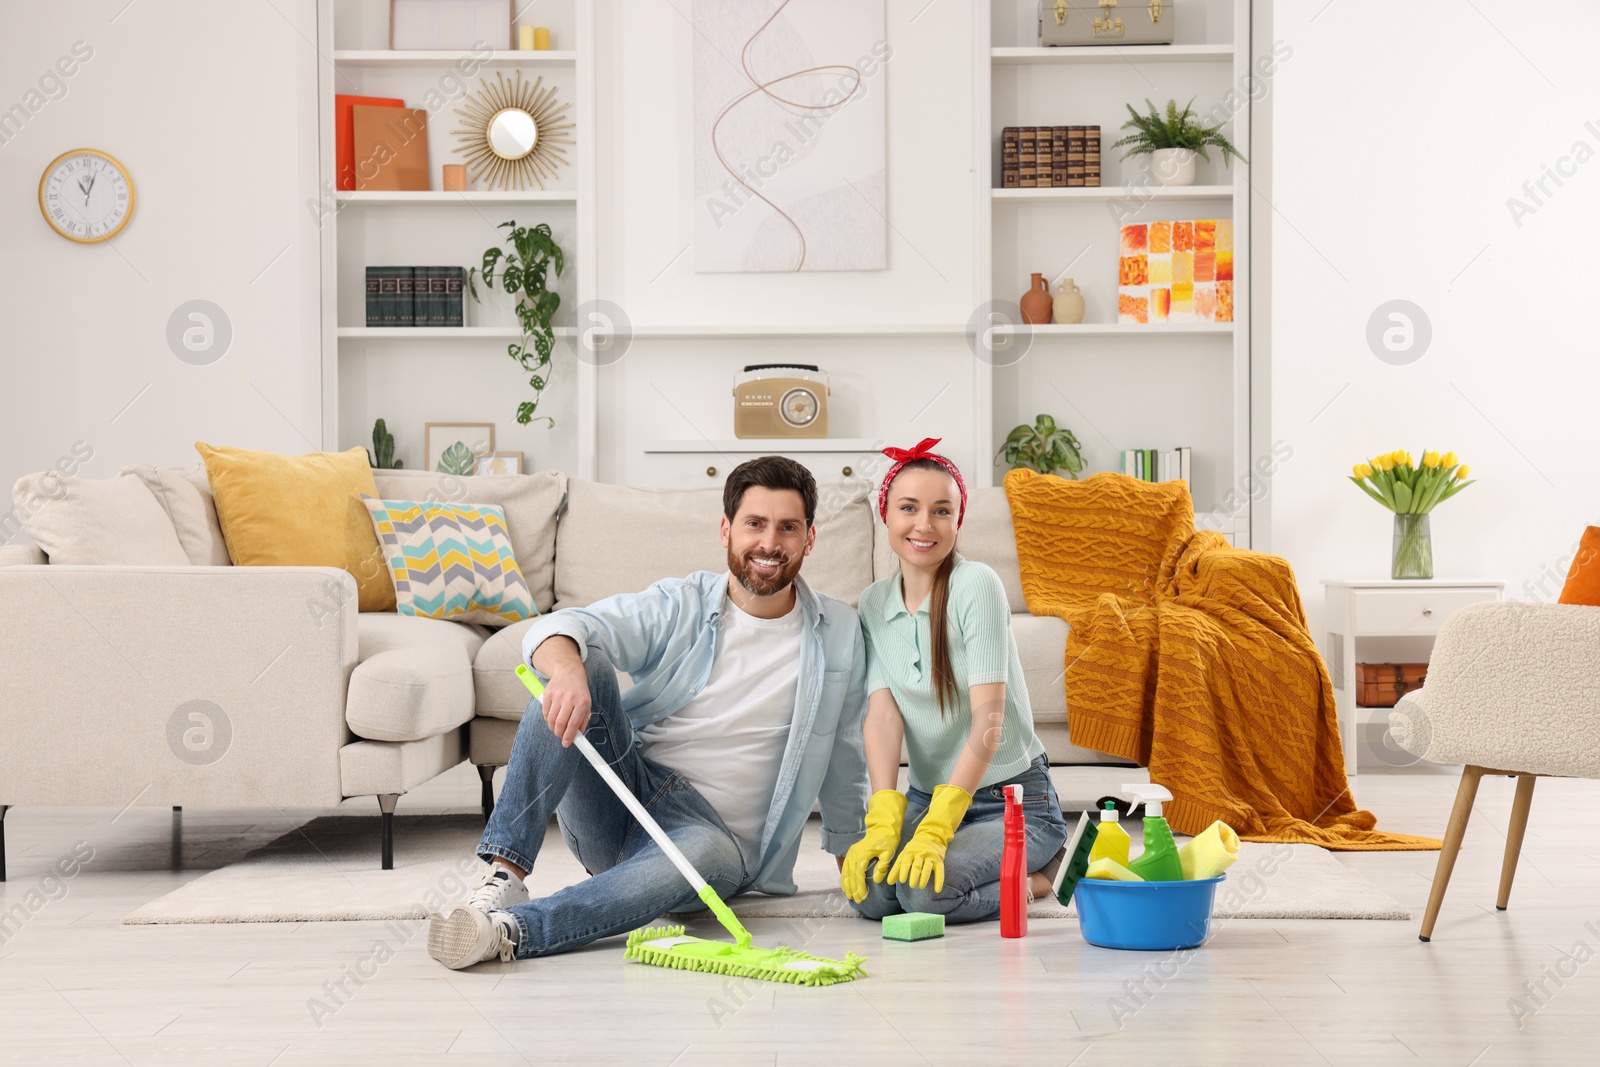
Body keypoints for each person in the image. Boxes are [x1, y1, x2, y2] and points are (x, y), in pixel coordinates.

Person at [427, 456, 868, 968]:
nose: (769, 543)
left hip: (714, 841)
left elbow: (845, 755)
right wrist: (568, 671)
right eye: (754, 524)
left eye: (787, 528)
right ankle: (504, 880)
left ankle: (506, 932)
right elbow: (557, 627)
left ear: (809, 539)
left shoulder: (839, 630)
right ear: (726, 529)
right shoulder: (679, 603)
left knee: (697, 854)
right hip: (624, 796)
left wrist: (852, 862)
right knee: (581, 659)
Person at [841, 438, 1068, 924]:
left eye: (941, 510)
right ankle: (977, 861)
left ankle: (1043, 876)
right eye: (909, 508)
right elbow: (882, 717)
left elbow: (989, 722)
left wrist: (941, 825)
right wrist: (884, 815)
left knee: (924, 897)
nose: (924, 525)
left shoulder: (976, 584)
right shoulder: (875, 606)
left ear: (958, 520)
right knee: (873, 896)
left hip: (1011, 803)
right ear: (887, 516)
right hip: (926, 799)